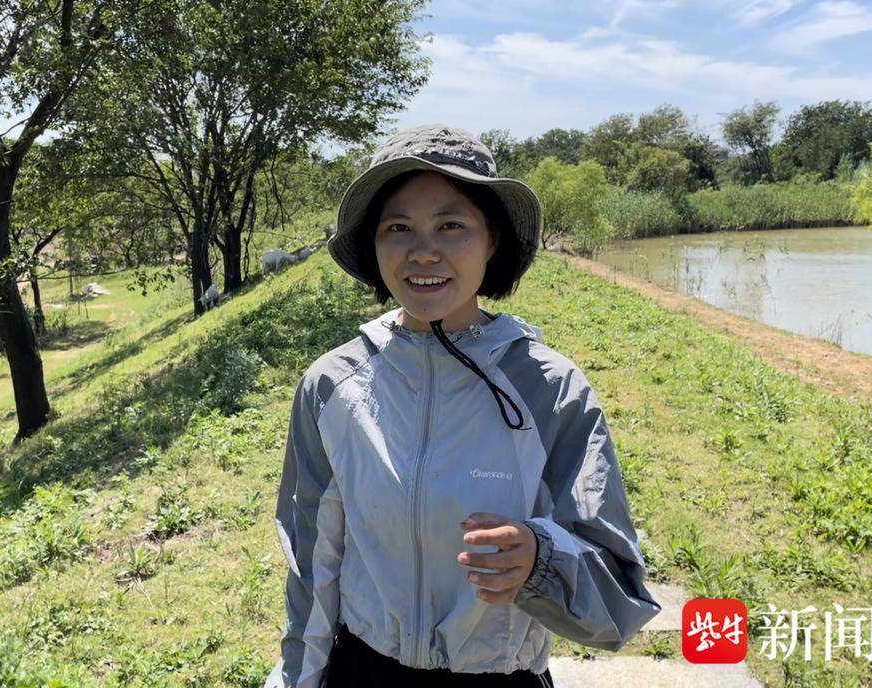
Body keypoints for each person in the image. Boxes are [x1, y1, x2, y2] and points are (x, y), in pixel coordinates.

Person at [271, 124, 661, 688]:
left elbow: (618, 595)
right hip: (362, 670)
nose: (423, 251)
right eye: (398, 228)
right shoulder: (332, 384)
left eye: (451, 225)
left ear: (492, 240)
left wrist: (539, 560)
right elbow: (312, 560)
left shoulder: (551, 389)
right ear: (374, 244)